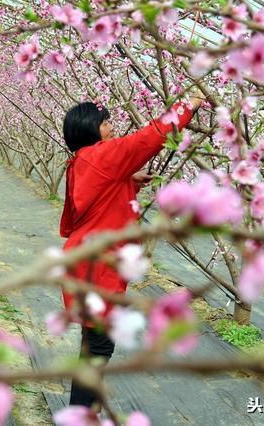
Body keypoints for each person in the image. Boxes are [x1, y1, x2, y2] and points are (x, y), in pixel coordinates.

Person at [60, 91, 205, 408]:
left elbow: (98, 193)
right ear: (92, 128)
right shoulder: (101, 155)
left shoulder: (84, 161)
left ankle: (84, 412)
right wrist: (186, 106)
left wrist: (129, 178)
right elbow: (147, 139)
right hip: (98, 268)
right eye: (107, 123)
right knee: (98, 349)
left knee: (92, 344)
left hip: (88, 261)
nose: (111, 128)